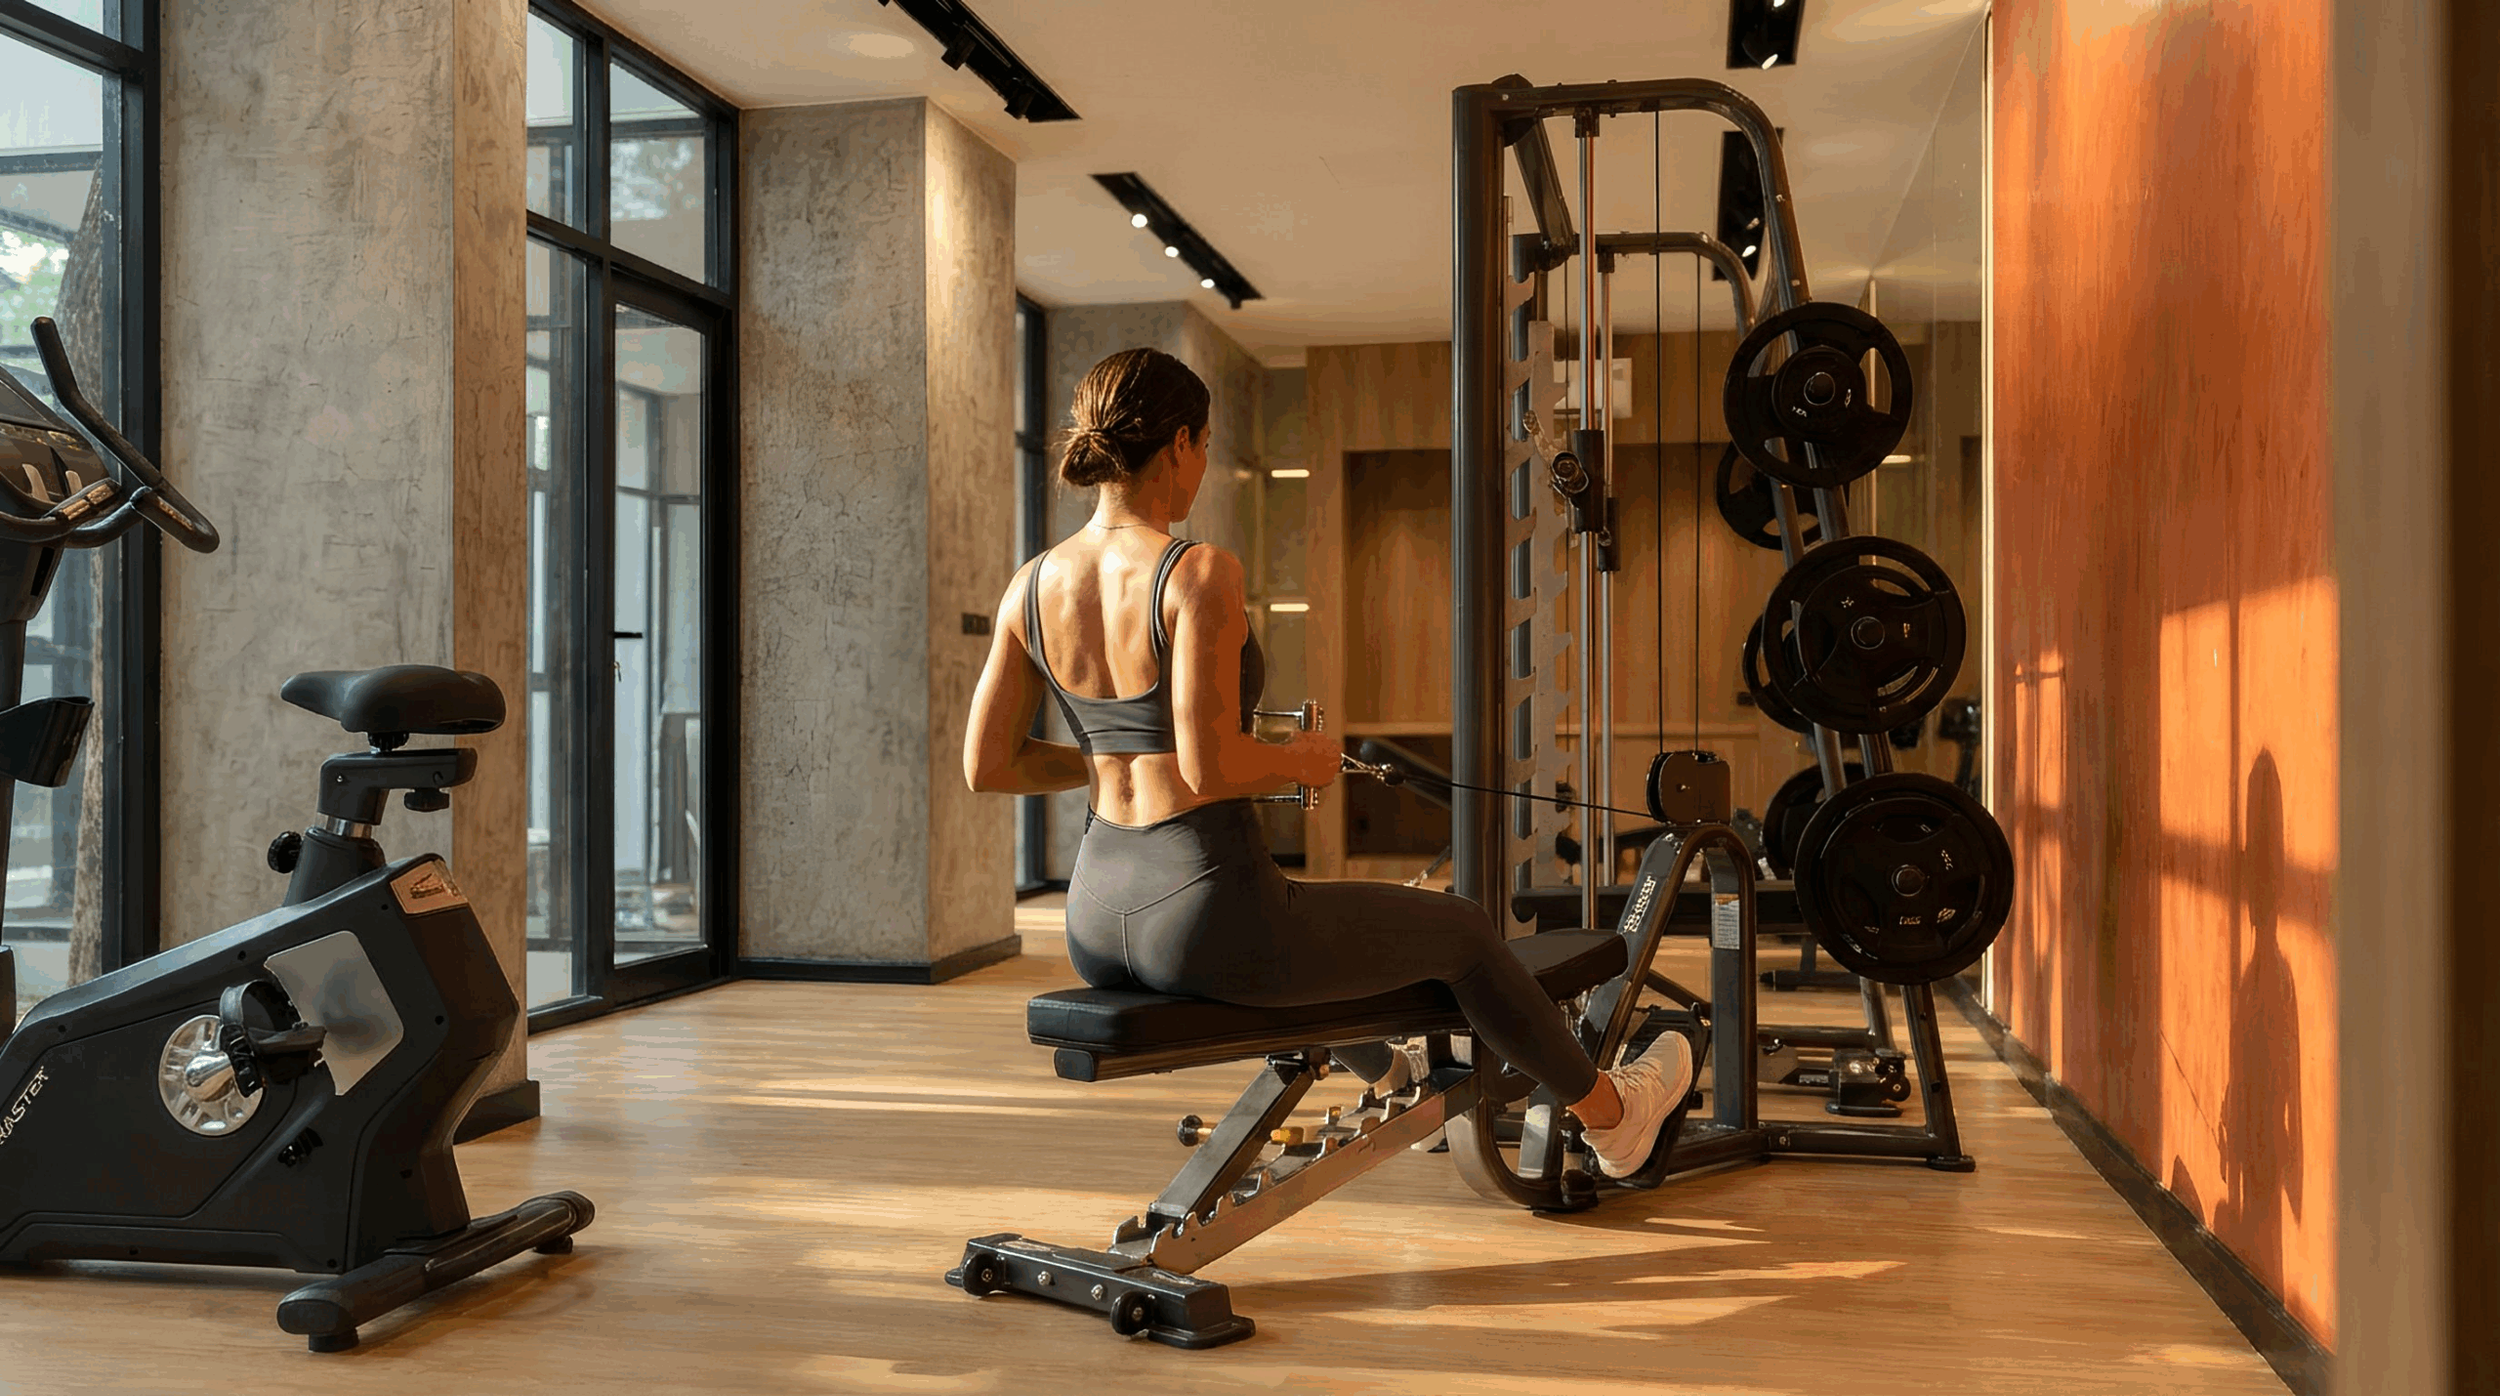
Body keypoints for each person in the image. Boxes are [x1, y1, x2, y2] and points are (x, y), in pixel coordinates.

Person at [962, 347, 1691, 1178]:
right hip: (1201, 917)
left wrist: (1111, 757)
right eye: (1203, 448)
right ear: (1180, 443)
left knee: (1311, 931)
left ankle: (1395, 1075)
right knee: (1461, 930)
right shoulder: (1196, 571)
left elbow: (989, 765)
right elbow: (1207, 768)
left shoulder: (1030, 584)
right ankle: (1612, 1117)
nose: (1200, 466)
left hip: (1095, 919)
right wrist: (1298, 761)